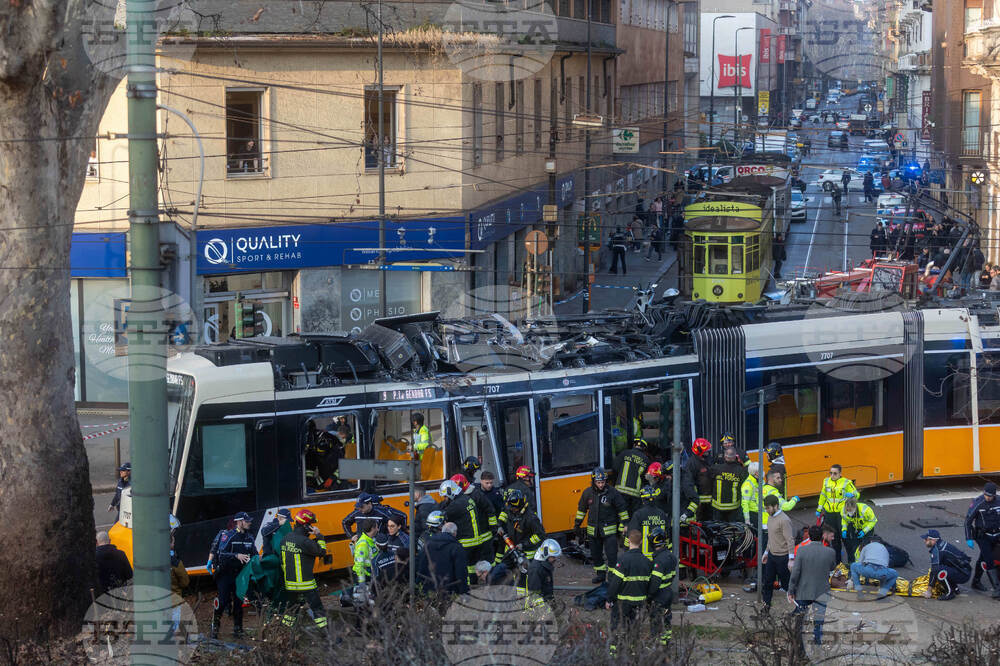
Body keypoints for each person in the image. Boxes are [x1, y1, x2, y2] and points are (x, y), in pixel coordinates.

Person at [574, 467, 629, 583]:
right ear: (593, 481)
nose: (601, 485)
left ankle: (613, 577)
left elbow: (622, 509)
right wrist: (577, 525)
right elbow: (581, 510)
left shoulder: (612, 492)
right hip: (593, 532)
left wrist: (625, 524)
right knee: (596, 555)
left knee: (612, 555)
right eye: (598, 482)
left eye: (603, 482)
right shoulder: (587, 493)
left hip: (609, 532)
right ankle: (601, 575)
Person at [279, 509, 329, 631]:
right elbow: (322, 552)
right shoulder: (305, 541)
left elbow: (282, 560)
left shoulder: (286, 538)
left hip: (290, 584)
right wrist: (319, 536)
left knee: (291, 610)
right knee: (317, 608)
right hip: (306, 584)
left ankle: (285, 634)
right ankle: (327, 634)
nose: (312, 526)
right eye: (310, 524)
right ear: (306, 525)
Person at [606, 529, 654, 653]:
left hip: (623, 603)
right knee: (634, 629)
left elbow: (615, 583)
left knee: (617, 627)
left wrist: (609, 599)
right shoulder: (647, 562)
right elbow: (650, 584)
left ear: (628, 541)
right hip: (640, 603)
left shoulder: (623, 560)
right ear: (641, 542)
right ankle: (632, 652)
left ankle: (613, 653)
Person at [788, 525, 836, 646]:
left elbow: (795, 572)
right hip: (822, 590)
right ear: (822, 536)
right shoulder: (830, 552)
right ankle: (817, 641)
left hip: (804, 589)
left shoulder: (801, 550)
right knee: (819, 619)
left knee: (800, 618)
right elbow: (832, 567)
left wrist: (791, 590)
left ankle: (798, 641)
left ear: (809, 536)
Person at [211, 511, 256, 639]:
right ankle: (215, 625)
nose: (249, 523)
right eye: (247, 521)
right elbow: (221, 554)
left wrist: (259, 558)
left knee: (238, 602)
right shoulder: (229, 535)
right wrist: (236, 555)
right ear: (239, 522)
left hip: (240, 575)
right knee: (223, 601)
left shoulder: (249, 538)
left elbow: (254, 554)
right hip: (225, 574)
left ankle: (238, 629)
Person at [440, 476, 494, 584]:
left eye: (445, 496)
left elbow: (442, 515)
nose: (444, 499)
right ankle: (474, 584)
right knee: (472, 567)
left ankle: (466, 588)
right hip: (476, 541)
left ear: (450, 493)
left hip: (466, 542)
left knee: (463, 568)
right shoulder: (466, 498)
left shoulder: (455, 505)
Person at [494, 488, 546, 594]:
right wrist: (499, 525)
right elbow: (504, 514)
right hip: (511, 549)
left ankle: (524, 596)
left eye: (513, 508)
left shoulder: (530, 518)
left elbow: (540, 535)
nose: (510, 509)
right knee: (503, 569)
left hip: (526, 553)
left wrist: (524, 545)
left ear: (519, 506)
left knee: (523, 577)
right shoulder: (511, 509)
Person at [816, 464, 859, 563]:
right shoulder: (826, 481)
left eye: (835, 473)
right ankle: (838, 564)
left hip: (841, 515)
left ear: (840, 473)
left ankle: (851, 563)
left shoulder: (846, 482)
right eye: (830, 473)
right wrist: (819, 509)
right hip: (829, 514)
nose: (832, 475)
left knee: (846, 540)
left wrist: (852, 495)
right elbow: (823, 496)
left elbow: (857, 494)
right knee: (834, 541)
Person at [965, 481, 1000, 596]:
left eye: (990, 496)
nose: (987, 498)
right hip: (983, 536)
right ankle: (997, 589)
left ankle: (976, 581)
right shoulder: (978, 503)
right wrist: (968, 538)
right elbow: (968, 521)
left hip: (996, 534)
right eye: (986, 495)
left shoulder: (999, 501)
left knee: (983, 558)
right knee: (989, 560)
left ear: (994, 495)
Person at [416, 522, 469, 595]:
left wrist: (418, 585)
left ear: (442, 531)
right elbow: (461, 572)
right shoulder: (456, 548)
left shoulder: (427, 545)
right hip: (449, 590)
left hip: (429, 590)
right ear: (454, 532)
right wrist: (464, 591)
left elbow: (420, 565)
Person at [761, 494, 794, 611]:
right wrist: (766, 552)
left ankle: (797, 607)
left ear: (776, 506)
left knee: (786, 584)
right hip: (771, 556)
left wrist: (791, 559)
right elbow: (771, 537)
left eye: (768, 508)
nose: (767, 510)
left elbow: (790, 540)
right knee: (767, 582)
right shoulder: (770, 517)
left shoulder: (784, 520)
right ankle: (766, 607)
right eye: (765, 508)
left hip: (782, 558)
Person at [923, 529, 972, 600]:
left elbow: (934, 571)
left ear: (933, 540)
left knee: (938, 570)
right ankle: (955, 588)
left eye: (926, 539)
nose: (924, 541)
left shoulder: (937, 550)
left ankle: (950, 593)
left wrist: (929, 591)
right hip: (964, 571)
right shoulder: (941, 544)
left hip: (963, 574)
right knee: (942, 566)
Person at [649, 527, 677, 647]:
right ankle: (666, 641)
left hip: (659, 595)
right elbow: (673, 575)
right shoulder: (671, 556)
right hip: (668, 592)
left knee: (655, 619)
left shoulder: (658, 561)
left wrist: (649, 595)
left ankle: (655, 643)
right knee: (667, 617)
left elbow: (655, 582)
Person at [342, 492, 407, 539]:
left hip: (378, 545)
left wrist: (392, 537)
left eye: (362, 507)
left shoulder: (381, 513)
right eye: (358, 507)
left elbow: (396, 522)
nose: (360, 509)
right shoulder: (356, 513)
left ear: (369, 504)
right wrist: (351, 536)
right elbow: (345, 522)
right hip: (362, 545)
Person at [629, 486, 669, 559]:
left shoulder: (638, 514)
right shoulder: (662, 514)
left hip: (643, 557)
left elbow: (632, 534)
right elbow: (668, 534)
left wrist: (627, 550)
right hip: (660, 557)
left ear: (643, 499)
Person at [741, 461, 763, 591]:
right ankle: (748, 569)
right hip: (752, 516)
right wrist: (747, 520)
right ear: (755, 473)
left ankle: (755, 567)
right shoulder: (748, 484)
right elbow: (745, 504)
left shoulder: (758, 482)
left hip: (759, 515)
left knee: (758, 542)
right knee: (750, 543)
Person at [710, 446, 747, 522]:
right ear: (735, 457)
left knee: (718, 527)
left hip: (717, 507)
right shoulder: (741, 470)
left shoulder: (716, 468)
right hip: (733, 507)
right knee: (732, 527)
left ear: (725, 456)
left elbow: (709, 481)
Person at [612, 437, 650, 512]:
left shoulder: (625, 453)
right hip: (635, 495)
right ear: (644, 448)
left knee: (622, 514)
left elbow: (615, 467)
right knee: (633, 516)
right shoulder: (646, 460)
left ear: (634, 445)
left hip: (620, 492)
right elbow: (646, 478)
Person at [525, 539, 561, 608]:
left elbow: (547, 589)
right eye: (553, 557)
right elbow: (534, 595)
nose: (555, 559)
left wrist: (552, 604)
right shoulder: (536, 569)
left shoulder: (545, 566)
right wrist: (546, 610)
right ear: (546, 554)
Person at [840, 497, 877, 564]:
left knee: (867, 547)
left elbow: (873, 521)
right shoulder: (844, 510)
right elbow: (844, 520)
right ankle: (856, 563)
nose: (849, 512)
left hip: (867, 529)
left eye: (850, 510)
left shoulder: (865, 510)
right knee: (855, 547)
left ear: (855, 507)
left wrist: (864, 531)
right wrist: (844, 529)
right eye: (847, 510)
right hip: (856, 528)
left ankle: (867, 563)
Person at [95, 530, 133, 595]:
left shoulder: (94, 557)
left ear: (96, 543)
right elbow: (129, 574)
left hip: (101, 594)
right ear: (110, 541)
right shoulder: (121, 554)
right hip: (120, 591)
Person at [686, 438, 714, 520]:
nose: (708, 452)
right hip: (700, 503)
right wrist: (695, 499)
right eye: (706, 451)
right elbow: (688, 483)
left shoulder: (708, 459)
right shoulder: (691, 464)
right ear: (699, 451)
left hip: (711, 502)